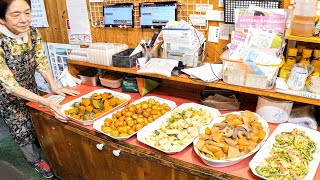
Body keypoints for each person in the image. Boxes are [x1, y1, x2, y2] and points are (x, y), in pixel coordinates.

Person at [0, 0, 80, 178]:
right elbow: (10, 85)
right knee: (20, 128)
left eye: (27, 13)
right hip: (7, 95)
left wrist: (54, 87)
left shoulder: (32, 32)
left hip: (30, 87)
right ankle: (35, 161)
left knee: (36, 119)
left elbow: (42, 61)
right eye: (15, 14)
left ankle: (44, 148)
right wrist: (46, 100)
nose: (24, 19)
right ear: (2, 19)